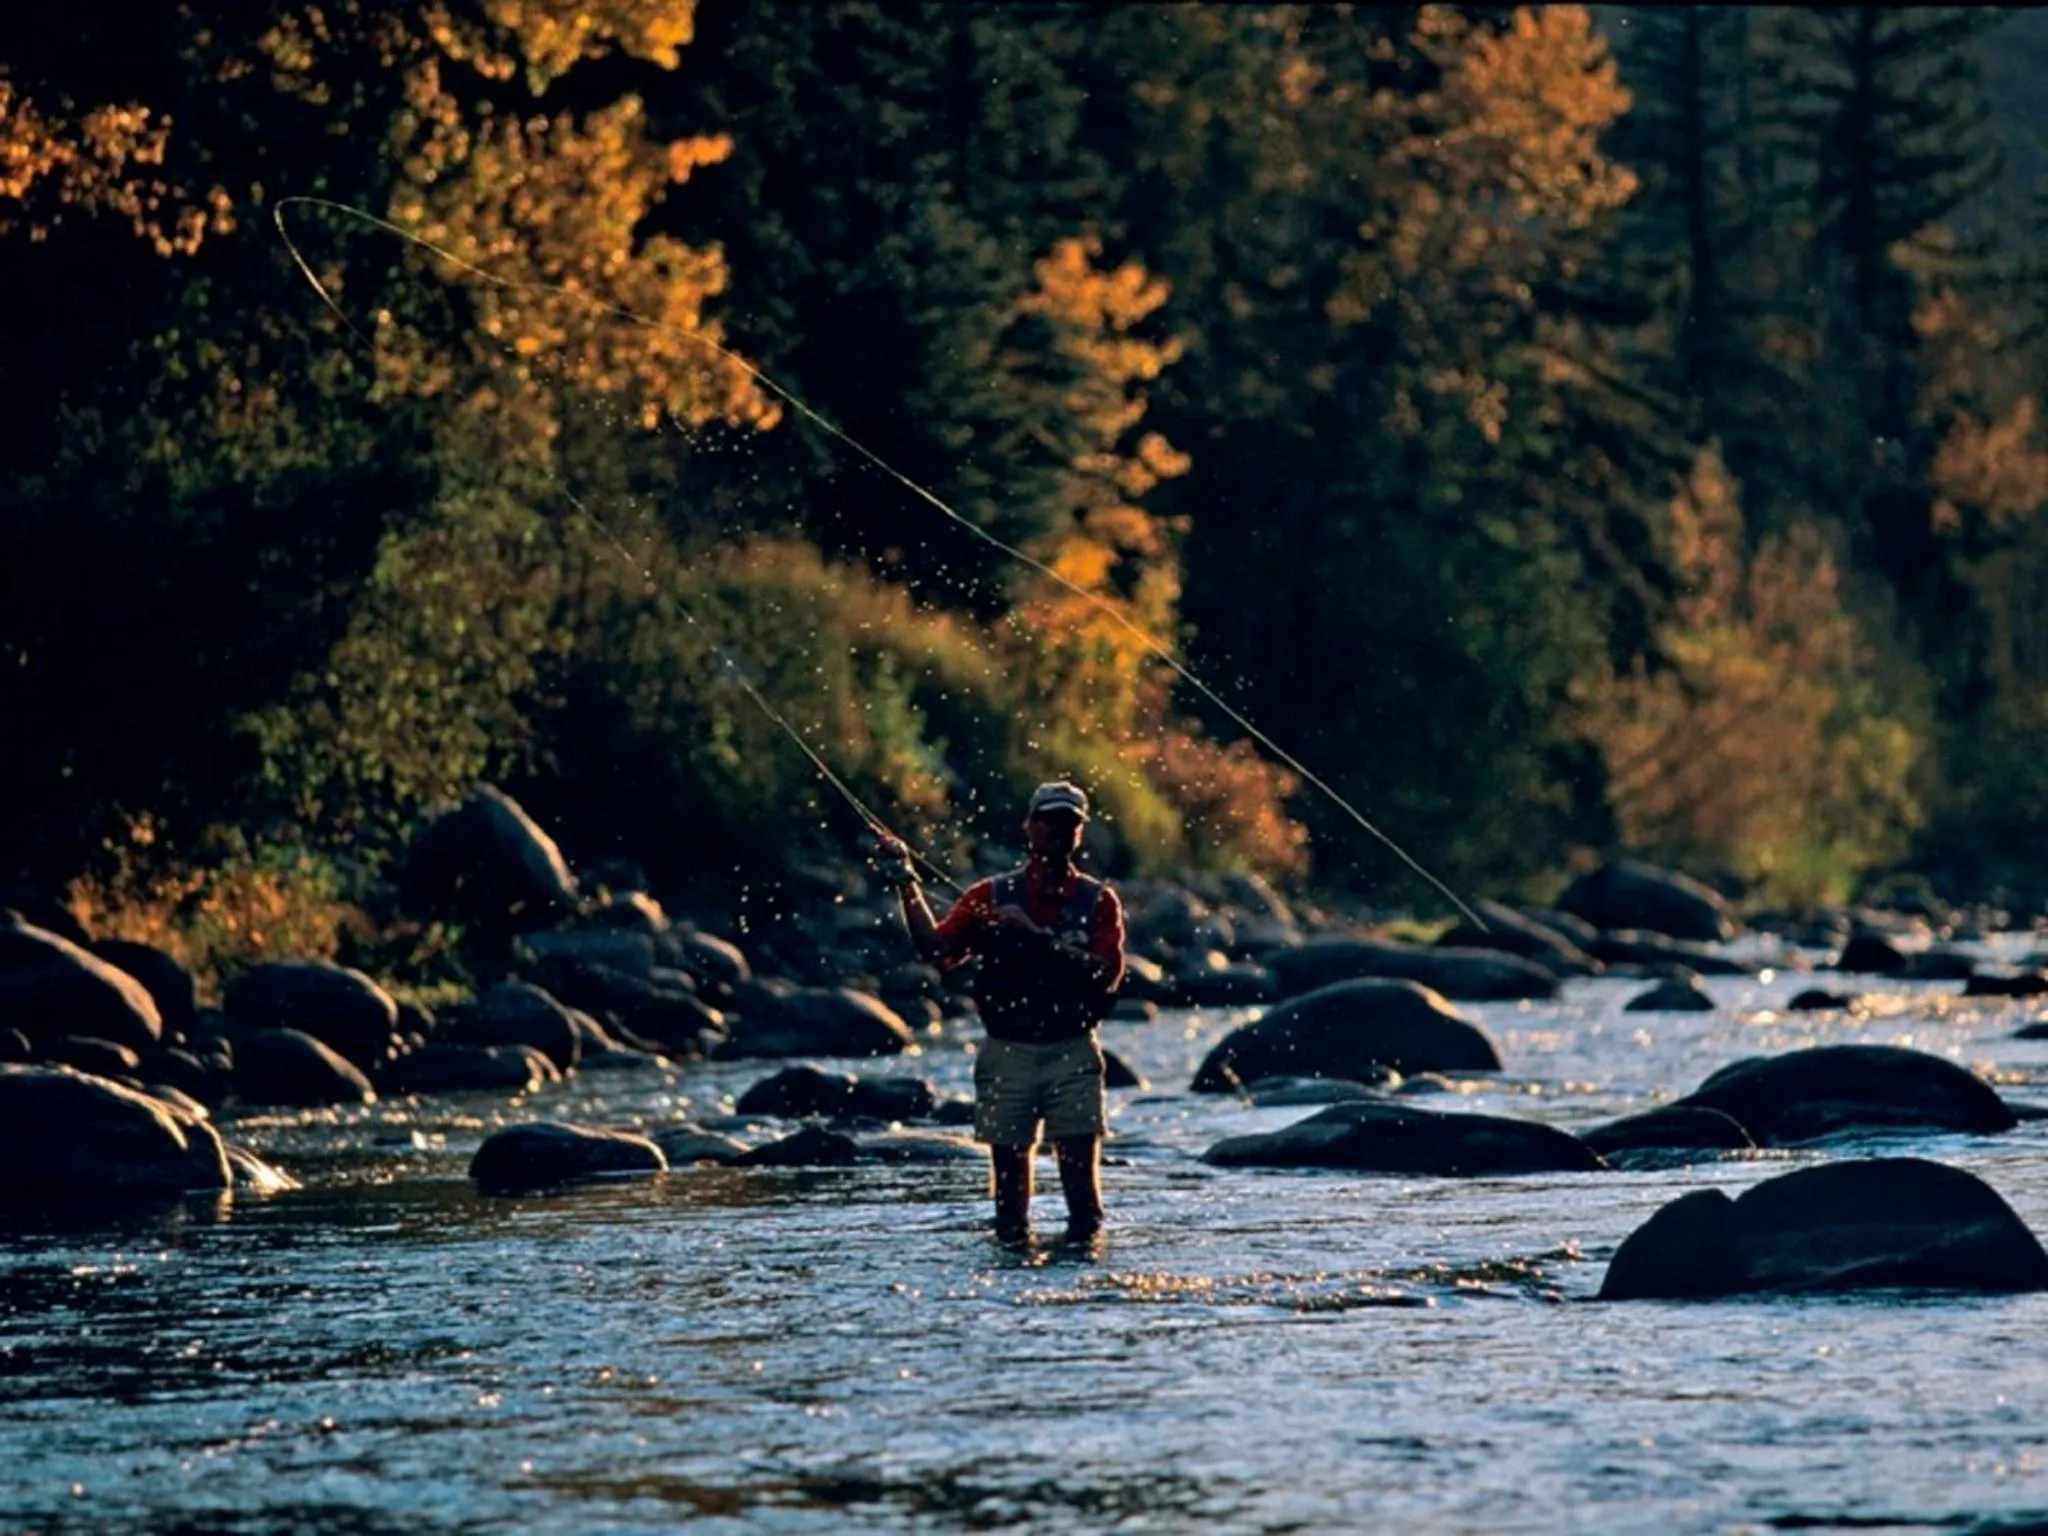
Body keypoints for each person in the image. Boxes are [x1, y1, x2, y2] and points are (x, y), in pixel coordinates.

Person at [874, 781, 1125, 1248]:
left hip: (1073, 1051)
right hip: (1005, 1053)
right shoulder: (988, 895)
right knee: (1008, 1208)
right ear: (1029, 826)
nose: (1057, 830)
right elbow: (936, 948)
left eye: (1069, 823)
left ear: (1080, 834)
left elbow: (1107, 979)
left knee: (1084, 1206)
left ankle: (1083, 1286)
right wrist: (907, 880)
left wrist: (1036, 938)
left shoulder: (1098, 902)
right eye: (1049, 820)